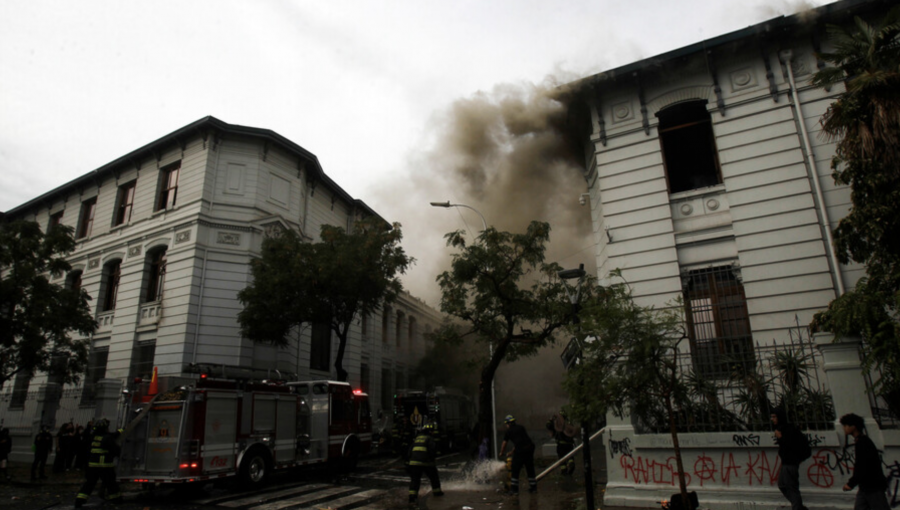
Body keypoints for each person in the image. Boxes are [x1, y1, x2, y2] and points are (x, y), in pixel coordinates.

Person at [839, 413, 890, 510]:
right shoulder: (861, 441)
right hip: (865, 487)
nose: (844, 428)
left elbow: (862, 466)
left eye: (845, 425)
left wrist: (851, 483)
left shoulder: (863, 443)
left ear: (853, 427)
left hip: (873, 486)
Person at [74, 418, 123, 508]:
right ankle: (116, 499)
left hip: (92, 465)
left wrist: (119, 432)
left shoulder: (92, 437)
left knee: (89, 484)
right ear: (105, 428)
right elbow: (115, 450)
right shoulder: (107, 438)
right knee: (111, 483)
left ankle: (79, 500)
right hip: (105, 466)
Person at [771, 408, 809, 510]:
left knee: (791, 488)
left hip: (790, 464)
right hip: (786, 463)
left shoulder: (788, 430)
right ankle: (799, 506)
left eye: (774, 417)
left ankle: (797, 507)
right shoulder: (782, 428)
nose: (772, 419)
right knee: (782, 485)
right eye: (772, 417)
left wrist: (781, 438)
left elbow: (791, 446)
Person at [498, 414, 537, 494]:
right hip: (529, 448)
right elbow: (520, 442)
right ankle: (533, 488)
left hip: (521, 451)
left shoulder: (508, 431)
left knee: (515, 469)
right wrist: (511, 452)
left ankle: (514, 490)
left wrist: (501, 453)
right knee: (530, 468)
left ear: (508, 423)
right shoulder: (521, 428)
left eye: (506, 424)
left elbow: (504, 443)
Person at [407, 423, 444, 505]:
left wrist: (408, 463)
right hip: (425, 462)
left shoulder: (417, 438)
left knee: (415, 480)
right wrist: (432, 460)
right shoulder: (429, 438)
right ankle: (437, 492)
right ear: (429, 432)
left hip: (413, 463)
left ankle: (412, 497)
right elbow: (432, 450)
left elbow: (410, 451)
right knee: (434, 477)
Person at [547, 410, 576, 476]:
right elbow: (572, 431)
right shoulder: (568, 423)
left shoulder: (557, 423)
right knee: (570, 456)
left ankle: (564, 471)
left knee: (562, 458)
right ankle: (571, 463)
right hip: (569, 444)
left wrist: (550, 420)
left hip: (561, 445)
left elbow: (548, 426)